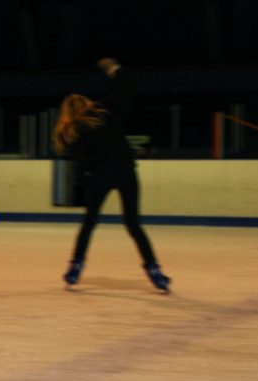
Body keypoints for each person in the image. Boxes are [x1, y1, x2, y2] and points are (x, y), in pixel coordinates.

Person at [52, 58, 171, 292]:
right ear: (87, 104)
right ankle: (154, 270)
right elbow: (127, 89)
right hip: (125, 171)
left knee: (89, 222)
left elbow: (76, 153)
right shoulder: (102, 111)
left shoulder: (70, 131)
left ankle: (76, 267)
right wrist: (114, 70)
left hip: (99, 175)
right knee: (133, 224)